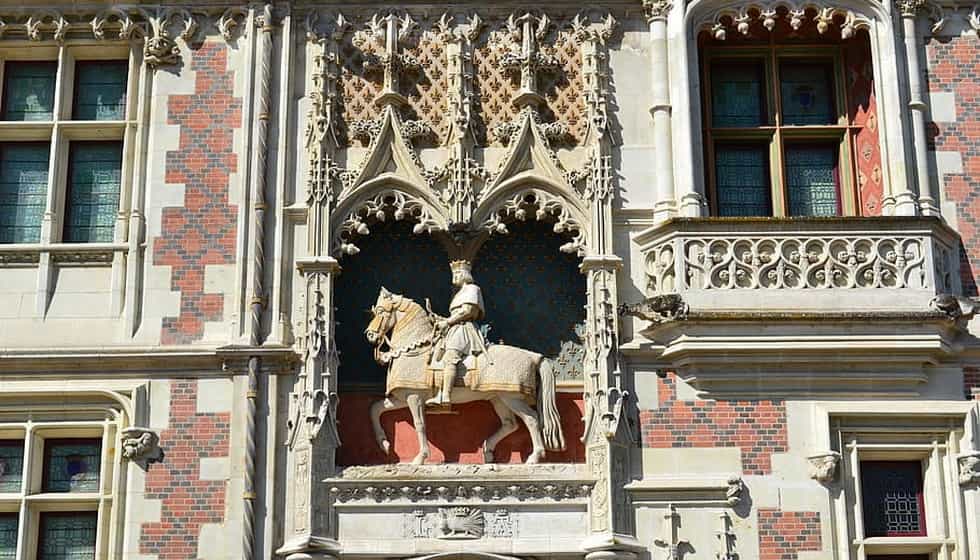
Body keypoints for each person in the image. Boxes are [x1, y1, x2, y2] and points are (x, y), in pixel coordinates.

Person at [427, 260, 486, 406]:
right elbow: (456, 314)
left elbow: (468, 311)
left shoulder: (473, 289)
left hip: (464, 329)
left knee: (450, 357)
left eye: (458, 273)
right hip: (454, 329)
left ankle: (445, 395)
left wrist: (447, 322)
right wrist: (439, 319)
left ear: (466, 274)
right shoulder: (460, 292)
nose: (455, 276)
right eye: (454, 273)